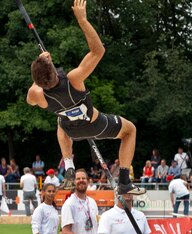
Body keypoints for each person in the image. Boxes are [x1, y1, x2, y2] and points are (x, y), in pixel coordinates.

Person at [27, 0, 145, 196]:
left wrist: (40, 68)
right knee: (130, 130)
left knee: (60, 120)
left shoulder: (37, 94)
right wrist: (82, 20)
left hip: (71, 132)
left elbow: (32, 94)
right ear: (54, 70)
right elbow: (98, 51)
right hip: (96, 124)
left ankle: (70, 166)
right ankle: (124, 181)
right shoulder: (73, 79)